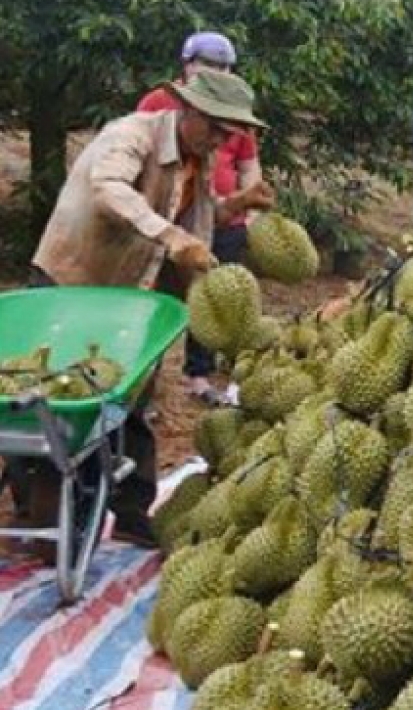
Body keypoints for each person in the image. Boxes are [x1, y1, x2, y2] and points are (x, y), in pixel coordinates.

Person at [16, 69, 273, 549]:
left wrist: (239, 201)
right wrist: (173, 238)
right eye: (215, 128)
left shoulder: (195, 159)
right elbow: (109, 189)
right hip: (73, 279)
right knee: (56, 404)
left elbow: (197, 217)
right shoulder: (131, 134)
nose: (220, 141)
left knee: (132, 396)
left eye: (228, 133)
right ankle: (42, 514)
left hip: (126, 295)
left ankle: (133, 512)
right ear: (189, 111)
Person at [136, 31, 263, 404]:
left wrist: (247, 208)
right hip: (168, 218)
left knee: (210, 300)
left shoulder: (234, 112)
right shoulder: (158, 103)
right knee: (150, 301)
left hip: (221, 218)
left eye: (224, 67)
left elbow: (249, 164)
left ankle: (200, 375)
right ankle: (143, 383)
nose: (216, 73)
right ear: (187, 66)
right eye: (207, 65)